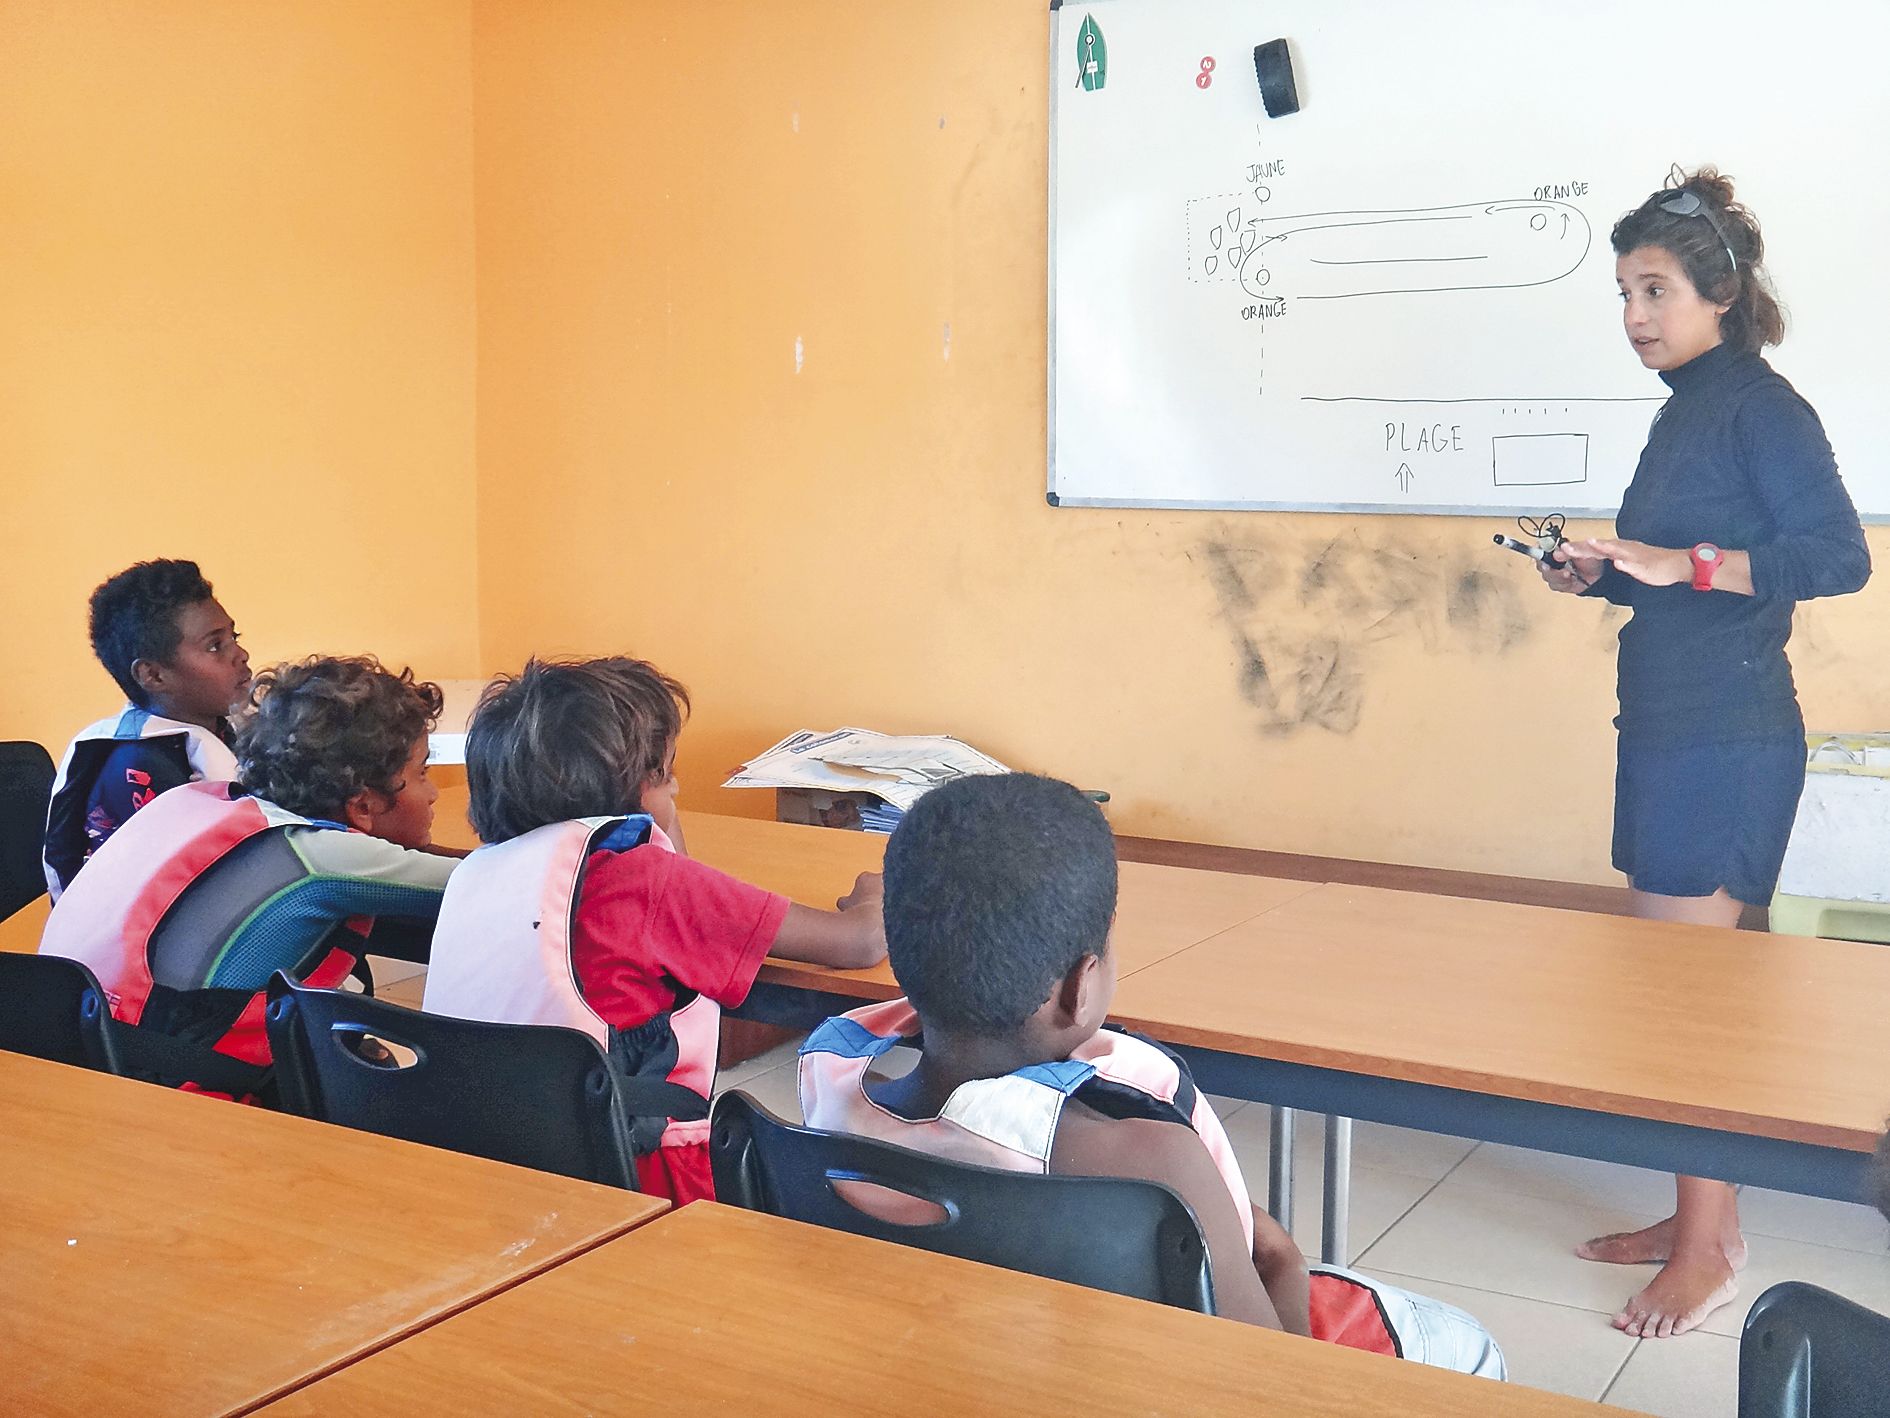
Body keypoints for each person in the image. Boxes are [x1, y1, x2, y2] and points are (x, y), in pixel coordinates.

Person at [799, 772, 1505, 1377]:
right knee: (1467, 1347)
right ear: (1080, 988)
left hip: (958, 1372)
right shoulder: (1150, 1161)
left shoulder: (823, 1106)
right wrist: (1284, 1262)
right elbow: (1270, 1381)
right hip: (1131, 1381)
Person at [1539, 168, 1870, 1338]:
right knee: (1676, 1001)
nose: (1635, 312)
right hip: (1672, 724)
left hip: (1729, 736)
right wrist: (1602, 569)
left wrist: (1684, 564)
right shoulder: (1685, 404)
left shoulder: (1758, 406)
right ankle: (1696, 1218)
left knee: (1689, 1013)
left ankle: (1710, 1247)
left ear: (1720, 294)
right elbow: (1678, 562)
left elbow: (1838, 556)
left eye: (1656, 288)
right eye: (1624, 290)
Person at [422, 657, 887, 1204]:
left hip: (492, 1150)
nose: (678, 787)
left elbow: (679, 881)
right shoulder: (645, 884)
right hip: (637, 1168)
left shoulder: (483, 868)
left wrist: (652, 808)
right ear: (637, 791)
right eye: (666, 774)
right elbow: (858, 944)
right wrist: (874, 890)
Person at [39, 656, 459, 1100]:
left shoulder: (196, 800)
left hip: (76, 1056)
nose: (432, 793)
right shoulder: (324, 860)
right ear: (362, 806)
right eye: (421, 774)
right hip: (169, 1097)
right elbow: (496, 888)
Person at [43, 559, 251, 898]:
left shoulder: (221, 729)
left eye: (234, 636)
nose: (240, 654)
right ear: (153, 676)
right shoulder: (140, 769)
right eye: (215, 645)